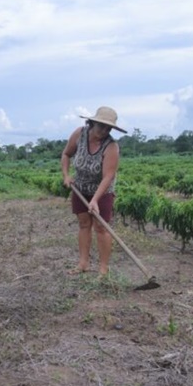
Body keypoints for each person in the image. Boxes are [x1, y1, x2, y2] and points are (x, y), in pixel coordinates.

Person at [60, 106, 124, 276]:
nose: (104, 131)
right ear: (92, 122)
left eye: (108, 128)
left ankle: (103, 269)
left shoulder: (111, 147)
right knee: (83, 224)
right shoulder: (79, 134)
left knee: (101, 227)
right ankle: (83, 263)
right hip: (79, 187)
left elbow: (108, 176)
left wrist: (95, 199)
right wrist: (66, 175)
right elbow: (66, 154)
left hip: (102, 190)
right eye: (101, 126)